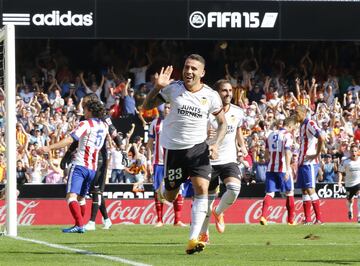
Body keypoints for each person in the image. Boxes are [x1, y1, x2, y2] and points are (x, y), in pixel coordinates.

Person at [142, 54, 227, 254]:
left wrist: (215, 144)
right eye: (187, 67)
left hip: (198, 149)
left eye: (194, 69)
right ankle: (165, 188)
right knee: (170, 197)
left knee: (202, 190)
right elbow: (146, 107)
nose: (189, 71)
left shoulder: (211, 96)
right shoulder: (173, 88)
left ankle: (193, 238)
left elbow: (222, 123)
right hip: (174, 150)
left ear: (202, 73)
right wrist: (157, 87)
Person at [38, 98, 108, 233]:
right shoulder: (104, 126)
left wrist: (49, 148)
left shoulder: (85, 124)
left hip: (80, 165)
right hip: (93, 168)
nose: (83, 112)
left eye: (85, 109)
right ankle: (80, 224)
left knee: (70, 197)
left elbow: (70, 139)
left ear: (90, 111)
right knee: (81, 198)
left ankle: (79, 225)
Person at [199, 79, 247, 243]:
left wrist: (243, 146)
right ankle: (204, 234)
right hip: (209, 160)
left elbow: (238, 130)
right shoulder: (206, 112)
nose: (228, 94)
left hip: (229, 159)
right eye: (224, 91)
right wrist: (205, 136)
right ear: (217, 94)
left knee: (234, 189)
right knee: (206, 202)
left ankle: (219, 212)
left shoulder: (238, 112)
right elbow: (196, 133)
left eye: (229, 91)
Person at [147, 103, 187, 227]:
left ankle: (177, 220)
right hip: (159, 162)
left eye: (170, 107)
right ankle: (159, 220)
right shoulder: (155, 123)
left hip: (175, 162)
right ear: (162, 109)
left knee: (178, 189)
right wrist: (148, 161)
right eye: (166, 107)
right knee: (158, 190)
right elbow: (150, 143)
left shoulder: (179, 122)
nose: (167, 109)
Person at [259, 117, 297, 226]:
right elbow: (288, 152)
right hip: (283, 168)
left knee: (270, 193)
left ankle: (263, 216)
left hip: (271, 168)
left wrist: (270, 161)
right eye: (293, 127)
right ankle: (290, 220)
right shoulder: (287, 135)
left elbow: (266, 154)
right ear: (290, 126)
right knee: (289, 192)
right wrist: (288, 169)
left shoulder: (270, 134)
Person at [294, 105, 325, 225]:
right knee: (304, 190)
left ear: (303, 113)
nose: (295, 115)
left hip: (309, 163)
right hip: (302, 162)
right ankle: (307, 219)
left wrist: (316, 154)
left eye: (297, 112)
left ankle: (319, 219)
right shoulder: (301, 125)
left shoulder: (310, 123)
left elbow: (321, 136)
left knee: (310, 189)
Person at [338, 144, 360, 222]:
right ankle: (350, 210)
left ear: (358, 152)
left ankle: (359, 216)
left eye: (355, 151)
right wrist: (339, 182)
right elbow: (340, 172)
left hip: (358, 183)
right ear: (350, 152)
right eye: (352, 151)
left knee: (359, 196)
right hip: (349, 184)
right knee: (350, 200)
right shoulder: (346, 161)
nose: (353, 153)